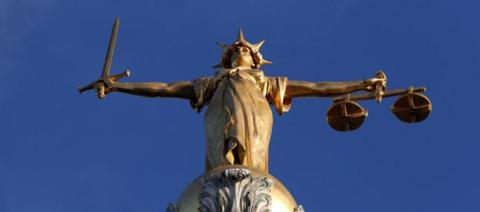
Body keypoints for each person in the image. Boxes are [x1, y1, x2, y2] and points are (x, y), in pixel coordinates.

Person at [83, 30, 385, 173]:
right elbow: (166, 88)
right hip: (219, 118)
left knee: (251, 162)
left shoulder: (264, 82)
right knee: (220, 164)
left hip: (256, 118)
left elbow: (316, 87)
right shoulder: (213, 83)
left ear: (256, 60)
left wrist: (362, 84)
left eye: (245, 51)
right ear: (227, 59)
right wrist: (119, 88)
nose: (239, 51)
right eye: (234, 51)